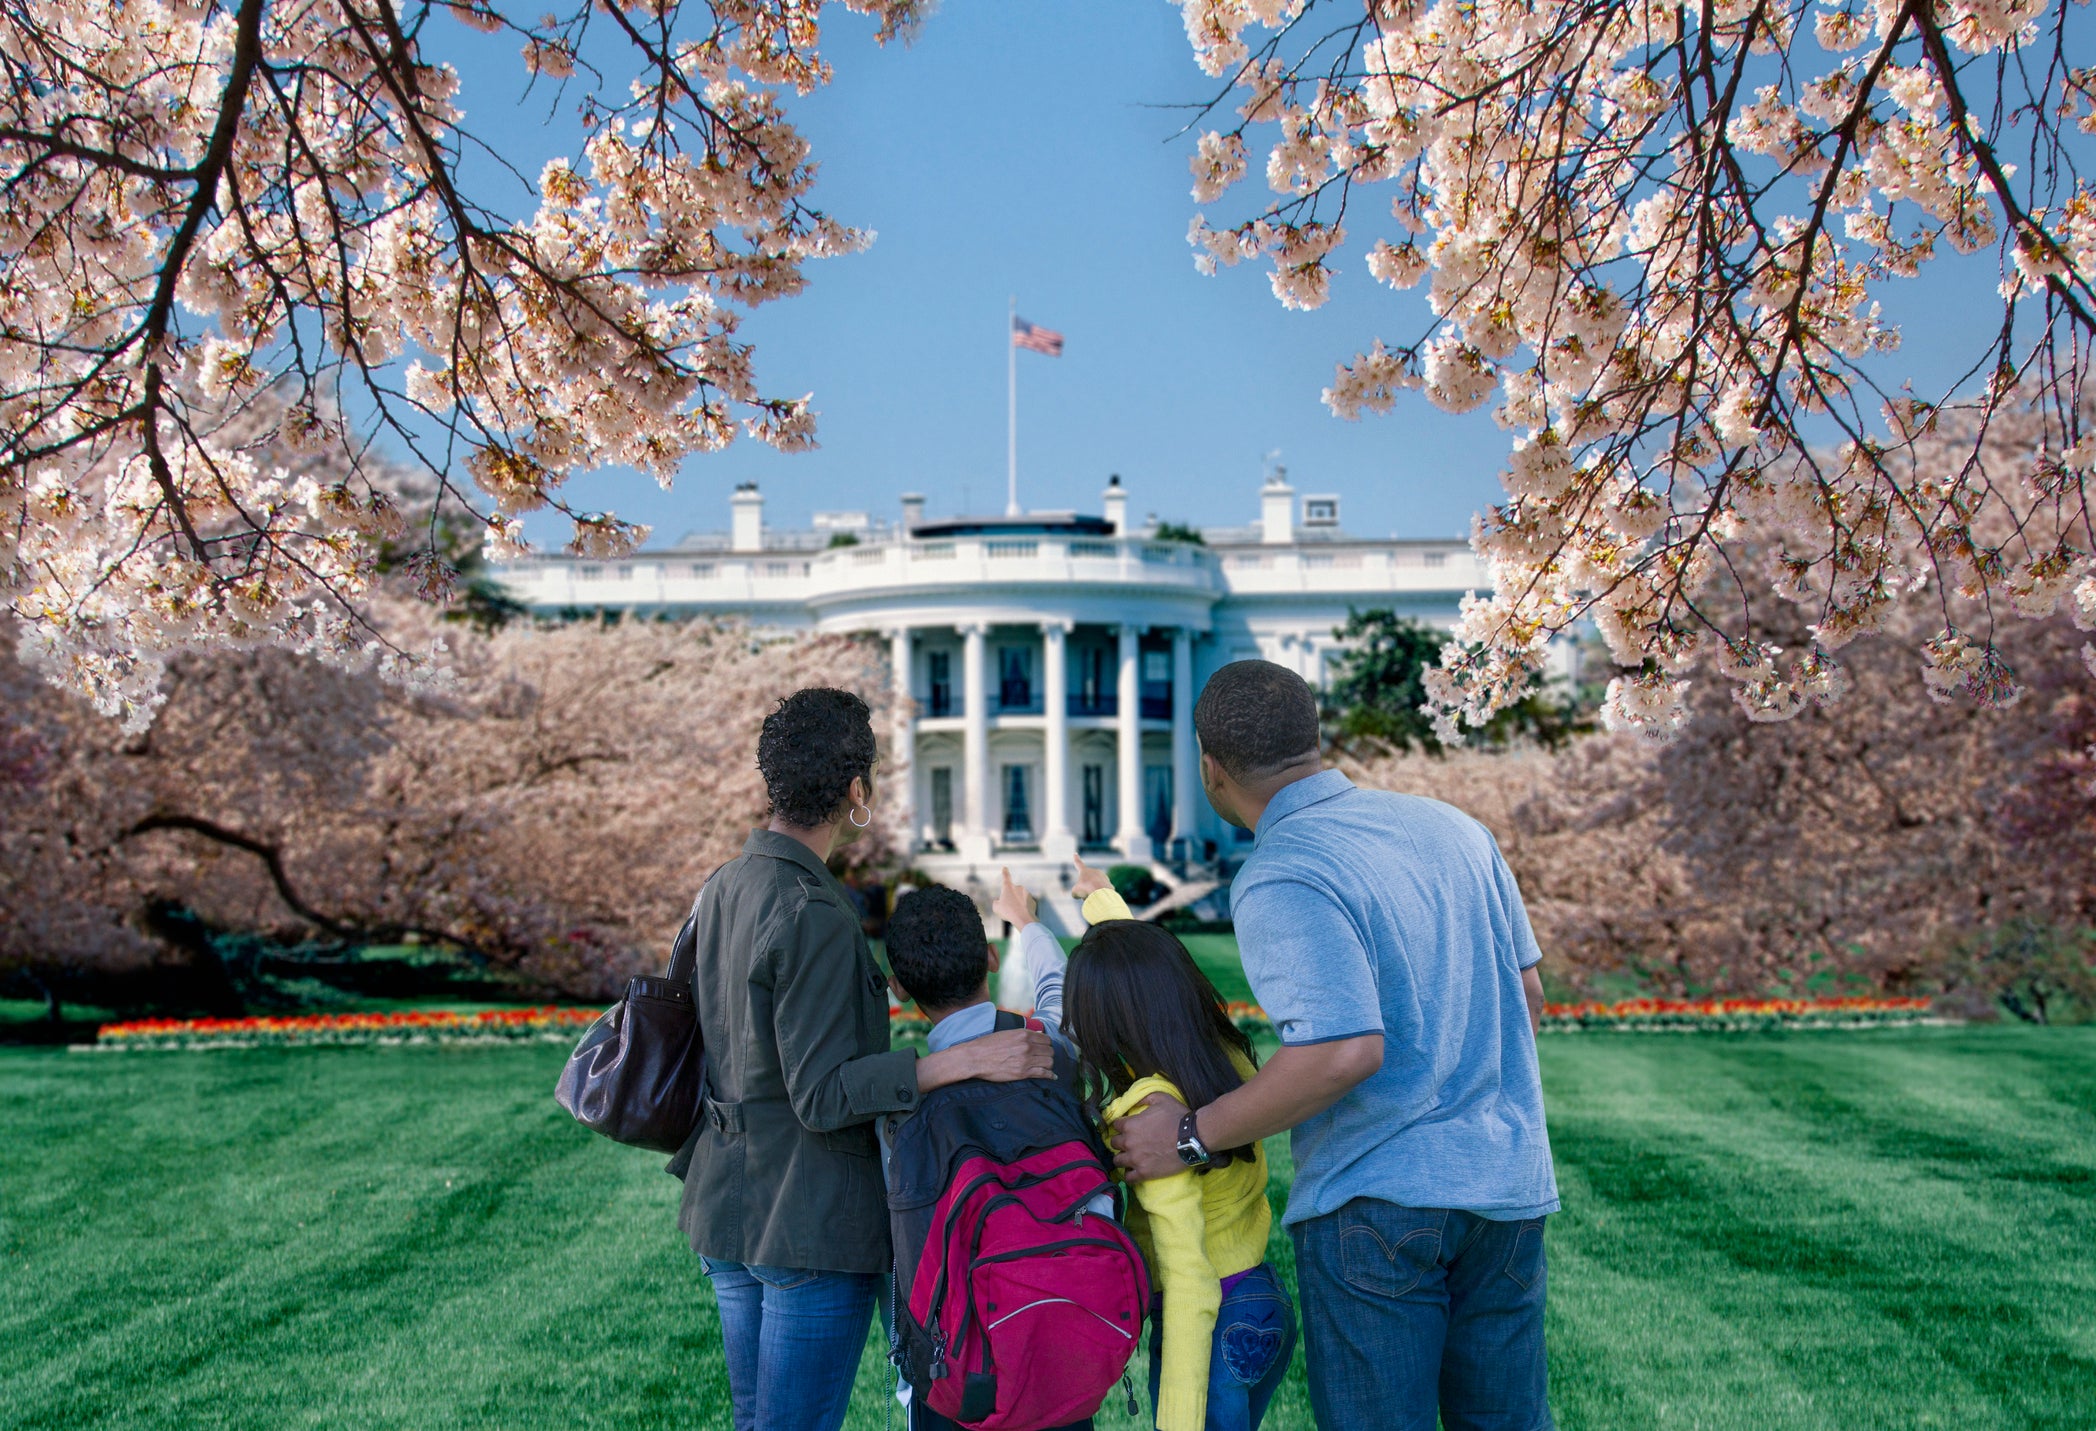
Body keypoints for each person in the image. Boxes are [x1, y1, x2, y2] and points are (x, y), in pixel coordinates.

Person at [1110, 661, 1559, 1431]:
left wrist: (1188, 1136)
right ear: (1316, 742)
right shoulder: (1457, 828)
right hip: (1508, 1191)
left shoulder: (1282, 870)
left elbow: (1342, 1052)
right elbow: (1528, 998)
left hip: (1379, 1206)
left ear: (1210, 769)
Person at [677, 688, 1055, 1431]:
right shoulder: (810, 910)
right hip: (805, 1218)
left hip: (726, 1207)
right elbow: (822, 1094)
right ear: (856, 790)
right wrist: (959, 1060)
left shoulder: (724, 884)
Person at [1056, 865, 1297, 1431]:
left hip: (1212, 1322)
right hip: (1262, 1299)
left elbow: (1191, 1284)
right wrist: (1101, 899)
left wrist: (1177, 1423)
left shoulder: (1151, 1120)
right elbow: (1146, 974)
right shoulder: (1218, 1052)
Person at [881, 871, 1113, 1431]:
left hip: (955, 1371)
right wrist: (1027, 921)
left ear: (901, 988)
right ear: (989, 957)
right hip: (1059, 1342)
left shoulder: (898, 1105)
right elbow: (1058, 989)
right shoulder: (1050, 1051)